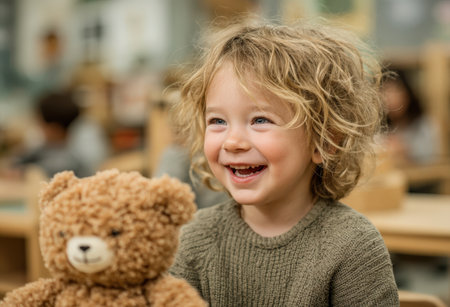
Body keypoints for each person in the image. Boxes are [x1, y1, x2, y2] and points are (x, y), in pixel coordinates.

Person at [169, 19, 399, 306]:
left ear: (325, 142)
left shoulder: (353, 246)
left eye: (260, 120)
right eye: (217, 121)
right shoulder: (193, 241)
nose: (232, 141)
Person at [12, 90, 89, 178]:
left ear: (53, 128)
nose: (37, 125)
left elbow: (35, 172)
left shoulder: (67, 160)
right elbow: (17, 161)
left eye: (40, 122)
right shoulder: (45, 147)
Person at [381, 69, 441, 165]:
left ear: (407, 93)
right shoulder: (380, 128)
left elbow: (433, 157)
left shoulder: (424, 124)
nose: (390, 99)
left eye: (396, 91)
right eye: (385, 92)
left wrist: (405, 149)